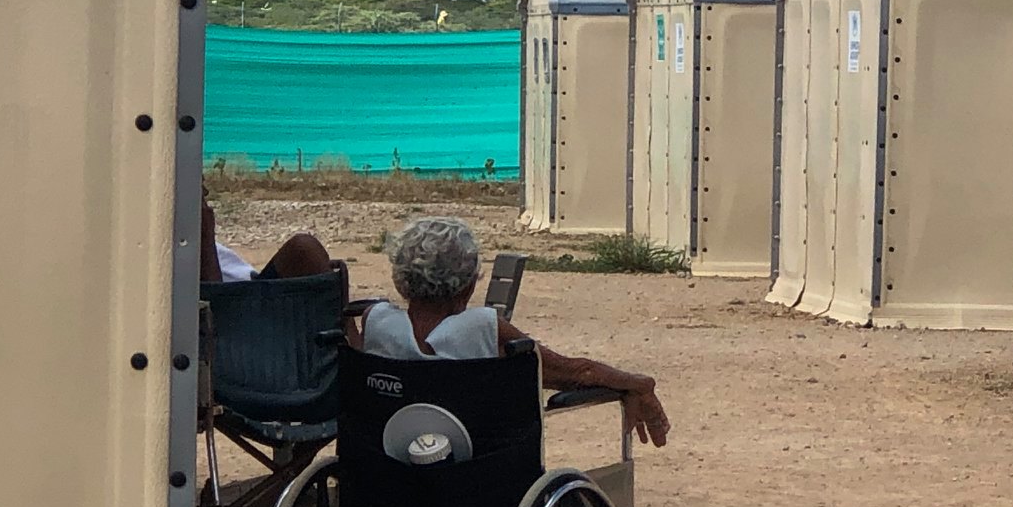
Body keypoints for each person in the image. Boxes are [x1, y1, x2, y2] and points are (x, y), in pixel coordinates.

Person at [357, 216, 671, 448]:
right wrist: (637, 384)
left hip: (388, 483)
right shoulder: (482, 328)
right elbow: (575, 373)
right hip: (478, 482)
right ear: (468, 284)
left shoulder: (376, 321)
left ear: (401, 281)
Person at [201, 191, 335, 283]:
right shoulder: (192, 249)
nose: (206, 192)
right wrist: (205, 236)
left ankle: (345, 322)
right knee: (304, 248)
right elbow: (212, 302)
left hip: (249, 288)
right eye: (201, 188)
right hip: (238, 304)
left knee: (304, 248)